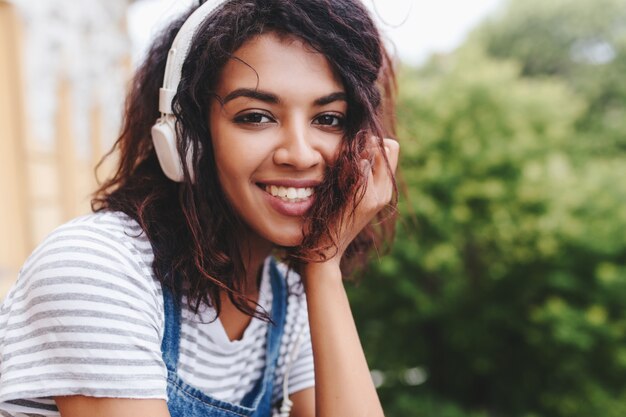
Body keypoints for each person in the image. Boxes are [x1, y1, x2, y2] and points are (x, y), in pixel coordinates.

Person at [0, 0, 399, 415]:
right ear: (187, 138)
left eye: (330, 119)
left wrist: (323, 266)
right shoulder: (97, 267)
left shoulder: (287, 297)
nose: (300, 155)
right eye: (257, 116)